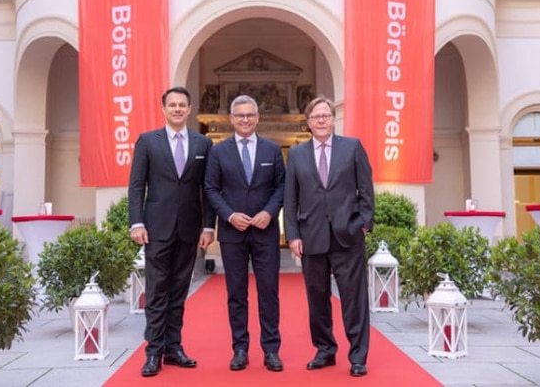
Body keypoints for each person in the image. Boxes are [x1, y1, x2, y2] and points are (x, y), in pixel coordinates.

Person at [283, 96, 374, 377]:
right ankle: (325, 350)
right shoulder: (297, 154)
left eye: (325, 115)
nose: (321, 120)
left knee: (353, 298)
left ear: (333, 119)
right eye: (315, 116)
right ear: (308, 123)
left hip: (348, 235)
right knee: (317, 298)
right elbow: (290, 198)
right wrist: (293, 235)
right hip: (312, 238)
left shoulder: (352, 148)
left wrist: (363, 224)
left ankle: (358, 356)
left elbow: (366, 190)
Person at [128, 86, 215, 378]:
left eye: (182, 105)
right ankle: (153, 351)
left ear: (189, 110)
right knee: (156, 291)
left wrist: (208, 225)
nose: (177, 109)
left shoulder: (203, 144)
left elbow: (209, 189)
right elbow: (137, 186)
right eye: (172, 105)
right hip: (156, 229)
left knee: (179, 291)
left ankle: (173, 347)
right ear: (163, 109)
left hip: (189, 229)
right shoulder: (147, 141)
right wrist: (136, 222)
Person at [204, 94, 286, 372]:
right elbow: (211, 189)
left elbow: (281, 187)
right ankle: (240, 349)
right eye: (240, 115)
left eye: (250, 114)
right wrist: (229, 215)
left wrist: (269, 212)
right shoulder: (218, 151)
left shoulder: (272, 150)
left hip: (265, 232)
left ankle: (271, 349)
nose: (245, 119)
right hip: (232, 233)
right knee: (236, 294)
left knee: (269, 292)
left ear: (257, 117)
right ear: (231, 119)